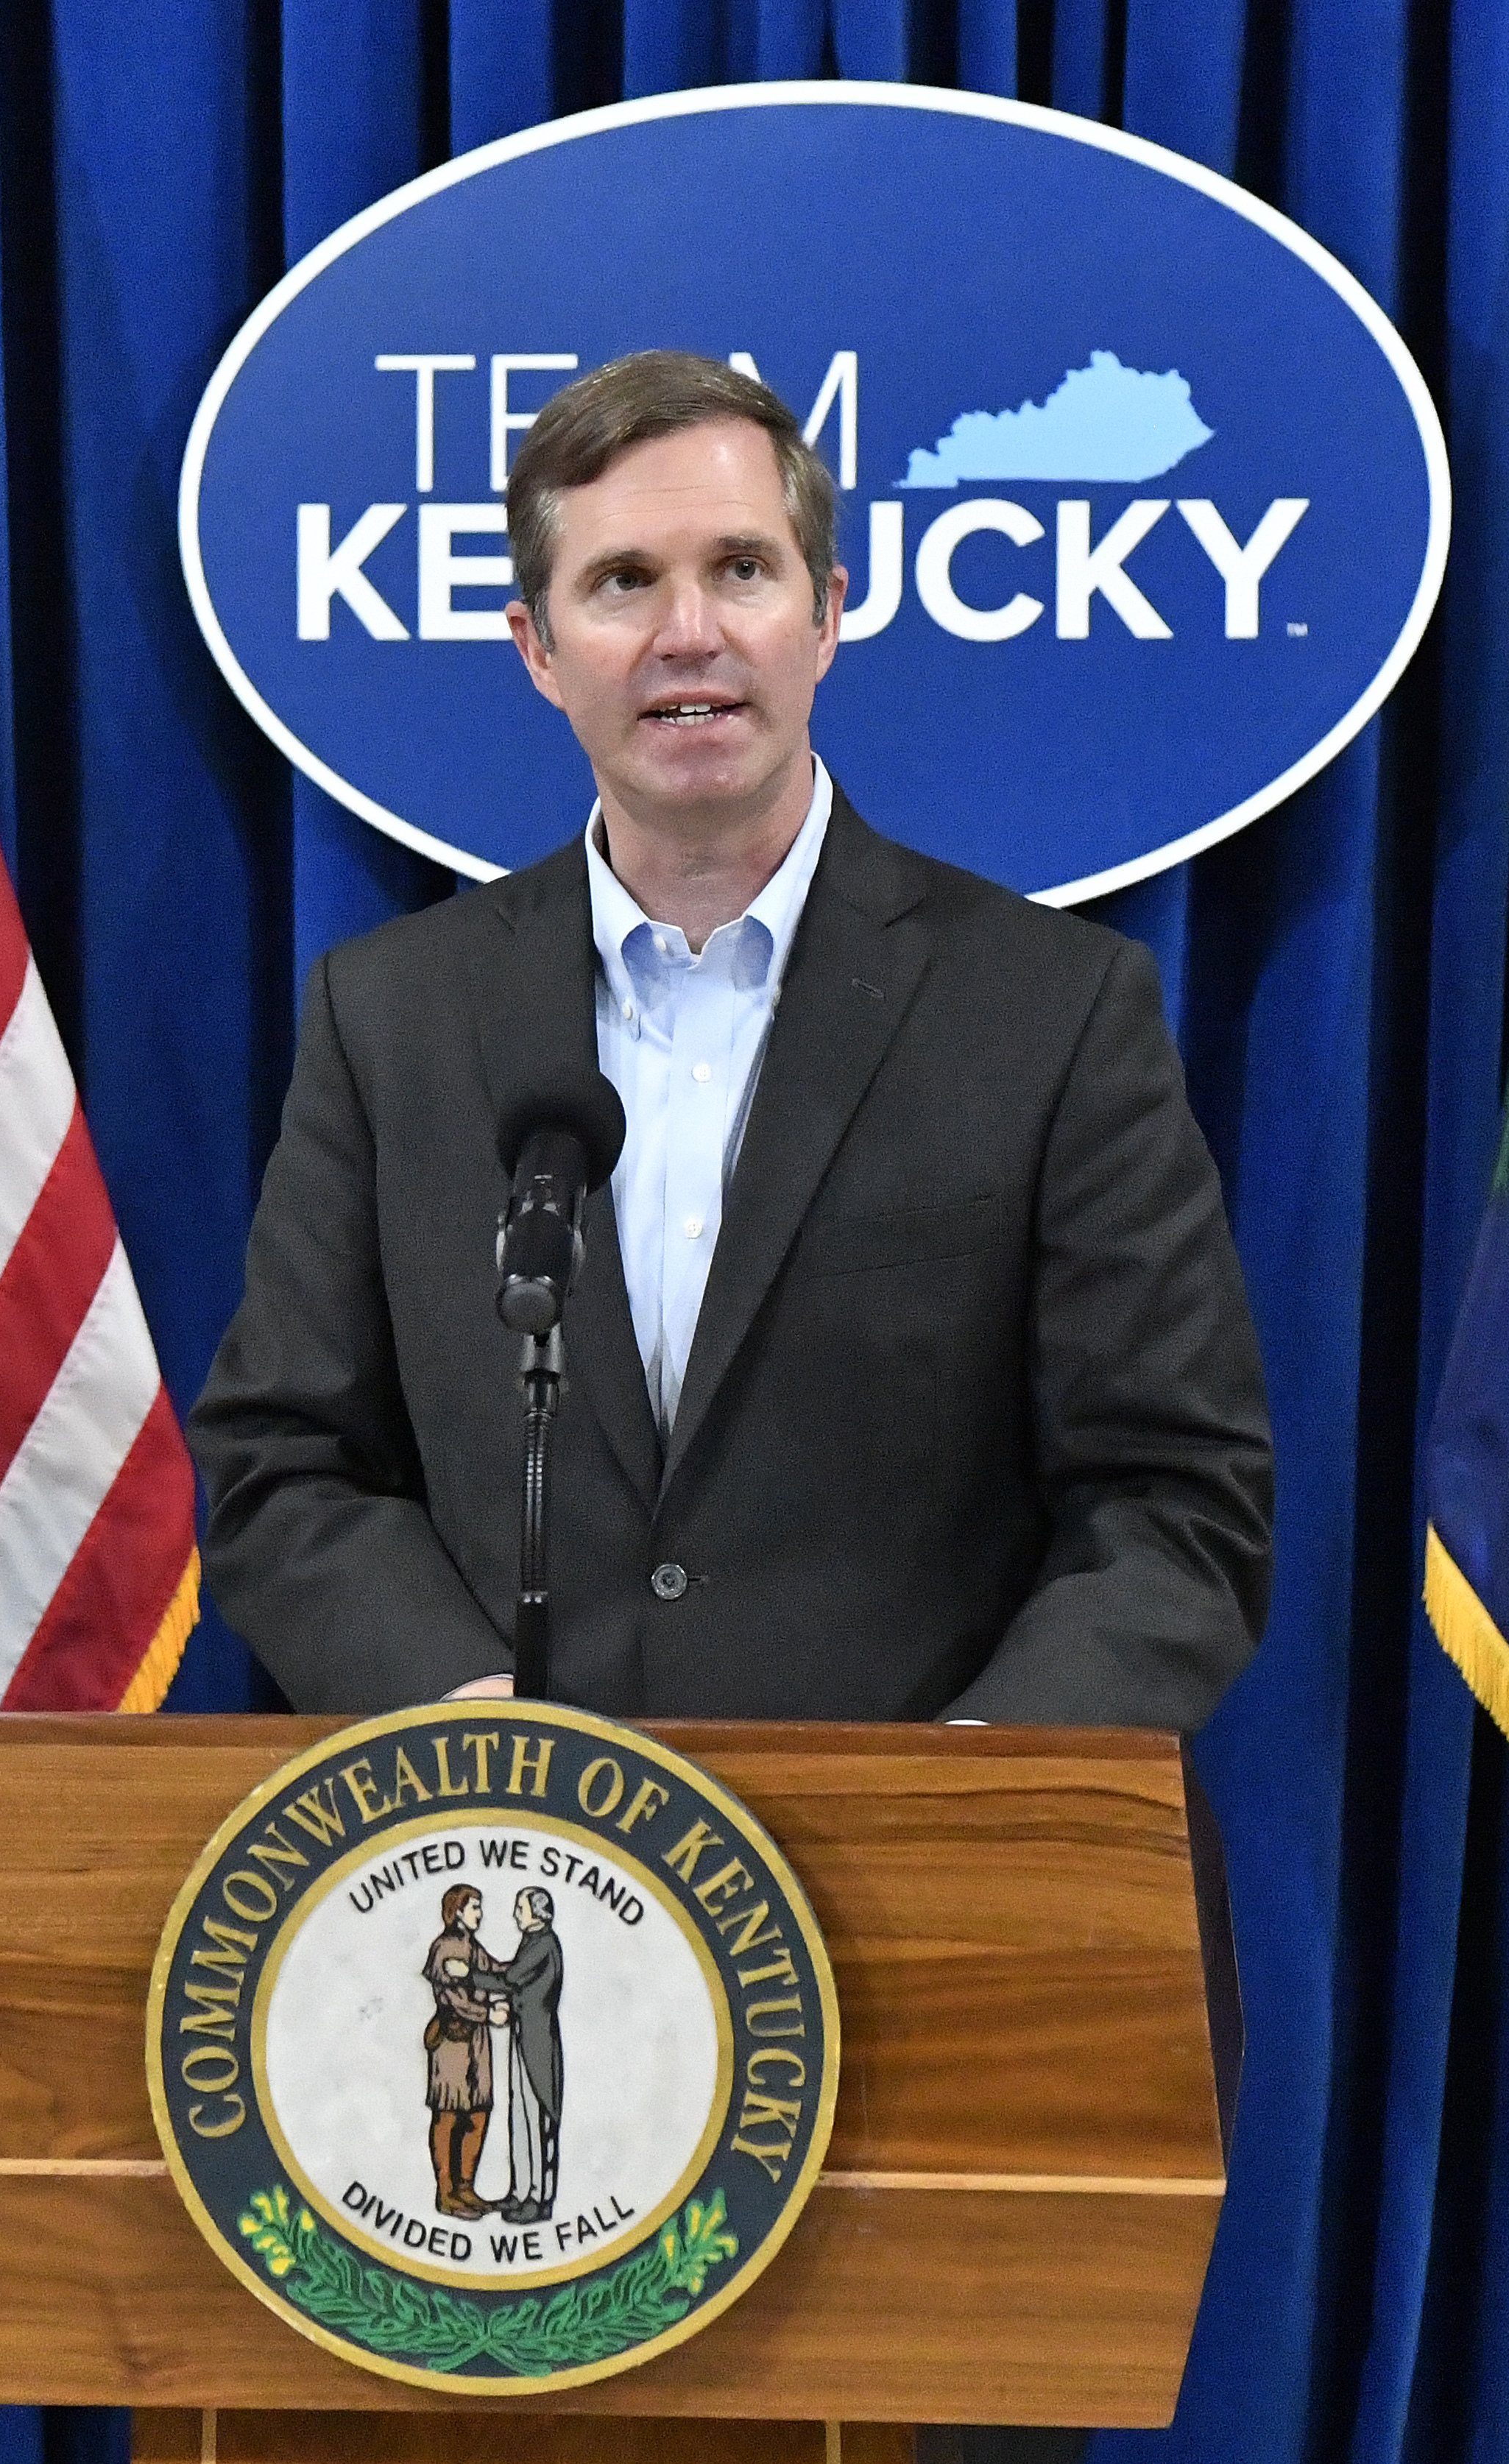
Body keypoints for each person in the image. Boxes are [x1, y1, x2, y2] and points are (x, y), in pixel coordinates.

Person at [190, 350, 1273, 1737]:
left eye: (743, 571)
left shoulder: (1056, 1012)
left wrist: (968, 1795)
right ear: (537, 647)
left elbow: (1178, 1501)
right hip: (519, 1869)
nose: (687, 631)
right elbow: (286, 1464)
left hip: (918, 1893)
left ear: (826, 614)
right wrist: (470, 1724)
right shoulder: (390, 1016)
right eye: (624, 581)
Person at [422, 1885, 508, 2218]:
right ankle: (446, 2194)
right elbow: (452, 2000)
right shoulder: (444, 1948)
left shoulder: (473, 1946)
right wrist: (488, 2014)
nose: (479, 1915)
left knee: (477, 2114)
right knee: (448, 2114)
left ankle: (466, 2188)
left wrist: (524, 1968)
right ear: (457, 1911)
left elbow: (493, 1971)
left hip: (477, 2044)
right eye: (474, 1908)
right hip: (452, 2042)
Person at [491, 1888, 565, 2225]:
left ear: (537, 1913)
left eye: (519, 1908)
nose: (515, 1914)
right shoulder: (531, 1943)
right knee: (519, 2116)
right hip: (523, 2039)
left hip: (538, 2045)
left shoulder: (544, 1945)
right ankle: (520, 2192)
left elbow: (511, 1978)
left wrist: (469, 1975)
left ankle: (538, 2198)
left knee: (537, 2121)